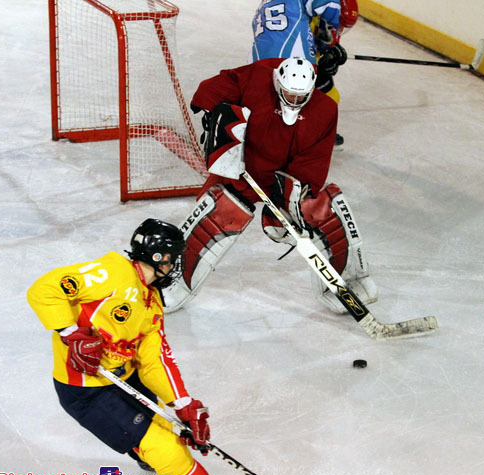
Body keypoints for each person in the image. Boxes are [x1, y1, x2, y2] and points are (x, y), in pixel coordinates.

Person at [27, 219, 229, 475]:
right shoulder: (111, 273)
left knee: (168, 432)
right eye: (174, 259)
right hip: (87, 391)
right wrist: (70, 333)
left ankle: (141, 447)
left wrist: (182, 403)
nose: (176, 266)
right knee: (167, 452)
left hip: (123, 380)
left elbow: (153, 360)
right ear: (160, 258)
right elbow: (44, 289)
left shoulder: (151, 301)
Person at [161, 56, 377, 314]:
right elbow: (216, 87)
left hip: (282, 178)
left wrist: (288, 205)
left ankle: (350, 282)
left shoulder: (325, 109)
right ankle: (170, 281)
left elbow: (312, 163)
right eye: (288, 94)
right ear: (278, 82)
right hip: (239, 169)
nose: (294, 101)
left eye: (301, 97)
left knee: (323, 207)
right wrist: (212, 114)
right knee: (218, 212)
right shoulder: (257, 77)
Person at [250, 0, 358, 148]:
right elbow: (309, 42)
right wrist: (326, 57)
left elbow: (310, 34)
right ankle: (301, 136)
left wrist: (328, 51)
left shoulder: (293, 9)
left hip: (260, 59)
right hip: (286, 64)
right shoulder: (324, 8)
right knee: (324, 96)